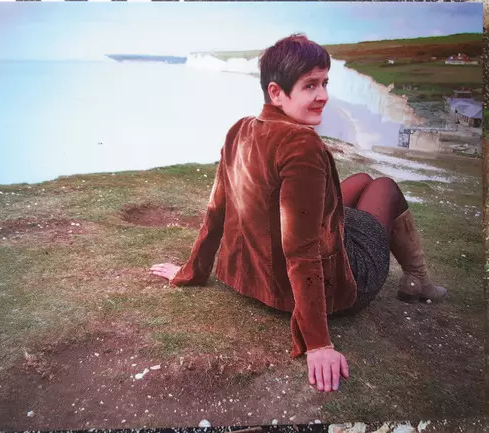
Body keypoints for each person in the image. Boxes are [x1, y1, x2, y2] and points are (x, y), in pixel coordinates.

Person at [150, 34, 447, 393]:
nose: (323, 95)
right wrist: (318, 343)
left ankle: (415, 277)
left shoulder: (240, 130)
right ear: (276, 92)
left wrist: (193, 272)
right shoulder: (301, 144)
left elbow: (216, 210)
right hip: (327, 288)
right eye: (310, 85)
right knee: (383, 186)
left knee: (361, 181)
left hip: (252, 278)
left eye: (324, 83)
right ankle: (417, 279)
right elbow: (301, 248)